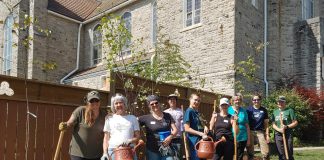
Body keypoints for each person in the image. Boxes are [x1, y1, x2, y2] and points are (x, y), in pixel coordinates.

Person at [59, 90, 107, 160]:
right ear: (87, 102)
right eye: (91, 101)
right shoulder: (80, 111)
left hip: (96, 155)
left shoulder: (104, 114)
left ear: (100, 101)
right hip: (78, 154)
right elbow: (70, 122)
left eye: (96, 100)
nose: (94, 102)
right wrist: (66, 125)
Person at [100, 93, 140, 160]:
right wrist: (105, 153)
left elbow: (138, 137)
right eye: (116, 103)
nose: (119, 105)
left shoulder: (132, 118)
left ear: (124, 104)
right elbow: (106, 138)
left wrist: (130, 140)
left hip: (129, 150)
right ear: (113, 106)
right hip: (113, 151)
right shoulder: (109, 118)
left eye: (121, 102)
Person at [138, 95, 178, 160]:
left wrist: (170, 137)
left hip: (166, 148)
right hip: (152, 150)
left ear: (159, 103)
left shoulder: (167, 116)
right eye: (152, 104)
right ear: (149, 106)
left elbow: (175, 130)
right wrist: (139, 138)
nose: (154, 105)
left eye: (156, 103)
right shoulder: (145, 118)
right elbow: (133, 124)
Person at [272, 96, 298, 160]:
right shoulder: (275, 112)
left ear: (285, 102)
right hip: (278, 133)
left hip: (288, 133)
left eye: (281, 102)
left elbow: (295, 122)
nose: (280, 103)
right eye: (278, 102)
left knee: (289, 151)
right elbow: (273, 124)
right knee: (280, 153)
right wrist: (279, 130)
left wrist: (286, 126)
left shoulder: (290, 110)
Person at [183, 93, 209, 160]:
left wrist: (205, 126)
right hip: (194, 143)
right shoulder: (189, 111)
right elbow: (187, 128)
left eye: (199, 101)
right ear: (190, 99)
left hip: (201, 142)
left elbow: (200, 124)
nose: (197, 102)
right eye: (195, 100)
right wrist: (201, 133)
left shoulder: (196, 112)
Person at [246, 94, 270, 160]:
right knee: (250, 152)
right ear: (252, 101)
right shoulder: (248, 110)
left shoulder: (264, 110)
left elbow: (266, 124)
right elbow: (246, 123)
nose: (256, 101)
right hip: (250, 131)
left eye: (258, 100)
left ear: (260, 100)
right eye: (254, 100)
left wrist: (267, 135)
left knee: (266, 151)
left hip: (260, 132)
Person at [228, 93, 250, 160]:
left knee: (239, 156)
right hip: (231, 137)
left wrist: (248, 139)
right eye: (236, 100)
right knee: (230, 155)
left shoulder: (244, 111)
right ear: (232, 101)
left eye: (239, 100)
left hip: (242, 137)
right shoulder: (228, 110)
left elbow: (247, 126)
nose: (237, 101)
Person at [164, 94, 183, 160]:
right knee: (168, 157)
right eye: (170, 99)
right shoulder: (165, 112)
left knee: (177, 157)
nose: (172, 101)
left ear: (176, 101)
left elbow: (185, 124)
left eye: (174, 99)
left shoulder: (181, 111)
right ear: (168, 101)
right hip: (167, 138)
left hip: (178, 138)